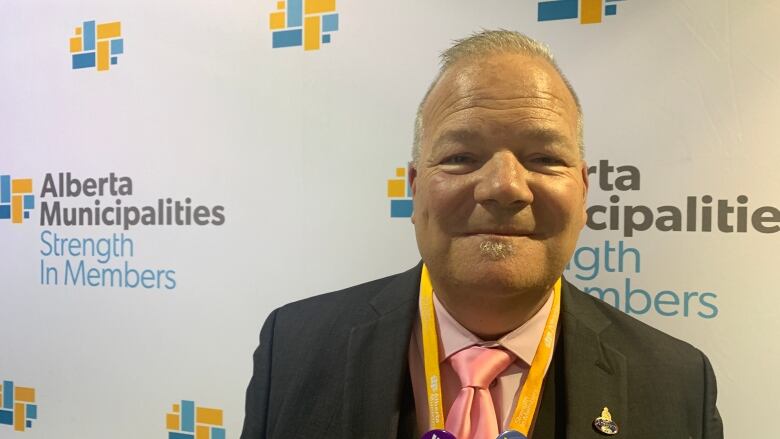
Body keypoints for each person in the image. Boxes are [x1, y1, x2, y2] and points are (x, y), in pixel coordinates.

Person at [240, 30, 723, 439]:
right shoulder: (294, 346)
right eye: (460, 158)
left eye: (543, 159)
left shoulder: (677, 382)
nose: (504, 188)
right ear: (414, 188)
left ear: (583, 190)